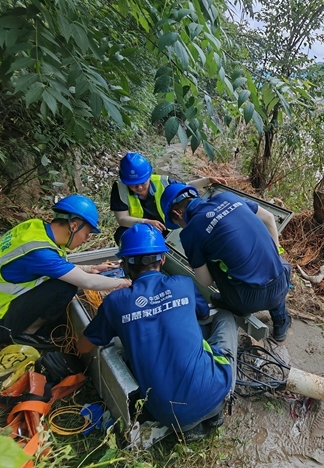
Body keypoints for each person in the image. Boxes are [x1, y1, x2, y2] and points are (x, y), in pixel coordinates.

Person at [77, 224, 237, 441]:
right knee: (225, 318)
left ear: (123, 265)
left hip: (167, 414)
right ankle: (217, 408)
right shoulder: (183, 283)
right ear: (162, 260)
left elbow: (83, 346)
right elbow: (203, 314)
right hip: (214, 392)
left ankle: (190, 427)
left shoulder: (115, 302)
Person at [0, 195, 131, 347]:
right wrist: (123, 282)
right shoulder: (41, 254)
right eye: (87, 234)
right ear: (74, 226)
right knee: (64, 287)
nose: (85, 239)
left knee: (60, 281)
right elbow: (87, 282)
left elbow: (56, 266)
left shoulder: (34, 228)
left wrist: (90, 268)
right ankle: (29, 332)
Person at [160, 184, 292, 341]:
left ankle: (230, 302)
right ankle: (280, 323)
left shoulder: (190, 231)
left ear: (177, 213)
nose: (181, 227)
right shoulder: (227, 197)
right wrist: (274, 255)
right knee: (268, 263)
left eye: (177, 223)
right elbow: (269, 218)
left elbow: (205, 280)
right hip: (282, 279)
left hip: (248, 300)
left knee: (211, 260)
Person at [110, 152, 224, 244]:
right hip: (140, 230)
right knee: (121, 235)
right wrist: (146, 222)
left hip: (166, 228)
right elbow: (122, 219)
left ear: (149, 175)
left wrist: (207, 180)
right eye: (133, 184)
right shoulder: (120, 189)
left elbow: (185, 187)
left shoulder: (163, 182)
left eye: (142, 182)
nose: (139, 187)